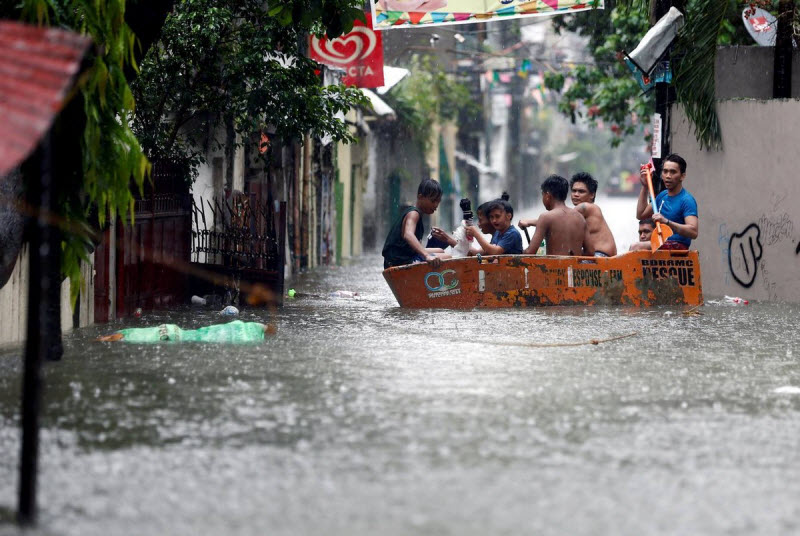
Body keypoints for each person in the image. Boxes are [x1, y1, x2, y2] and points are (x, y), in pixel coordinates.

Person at [382, 178, 451, 269]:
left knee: (440, 251)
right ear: (420, 197)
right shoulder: (414, 214)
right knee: (448, 257)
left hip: (396, 259)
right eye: (433, 201)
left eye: (438, 201)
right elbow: (408, 234)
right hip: (399, 262)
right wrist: (427, 256)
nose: (436, 205)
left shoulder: (414, 213)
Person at [636, 154, 699, 250]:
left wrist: (667, 222)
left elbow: (693, 232)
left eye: (673, 172)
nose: (668, 176)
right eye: (665, 171)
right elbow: (641, 215)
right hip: (661, 243)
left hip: (677, 246)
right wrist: (645, 187)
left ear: (682, 176)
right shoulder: (662, 196)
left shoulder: (687, 200)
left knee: (636, 246)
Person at [521, 175, 592, 256]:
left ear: (547, 196)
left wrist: (517, 251)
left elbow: (530, 252)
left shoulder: (545, 217)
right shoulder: (580, 217)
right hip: (575, 267)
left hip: (554, 267)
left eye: (542, 195)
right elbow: (590, 251)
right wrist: (573, 256)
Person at [96, 320, 273, 343]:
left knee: (205, 336)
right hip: (172, 330)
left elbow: (117, 337)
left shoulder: (127, 335)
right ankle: (258, 329)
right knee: (205, 334)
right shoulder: (129, 331)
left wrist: (100, 340)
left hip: (172, 334)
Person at [569, 172, 617, 257]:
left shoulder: (585, 207)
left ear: (592, 195)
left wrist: (539, 222)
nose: (576, 194)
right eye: (574, 191)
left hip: (601, 255)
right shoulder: (590, 209)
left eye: (581, 191)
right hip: (602, 256)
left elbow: (560, 220)